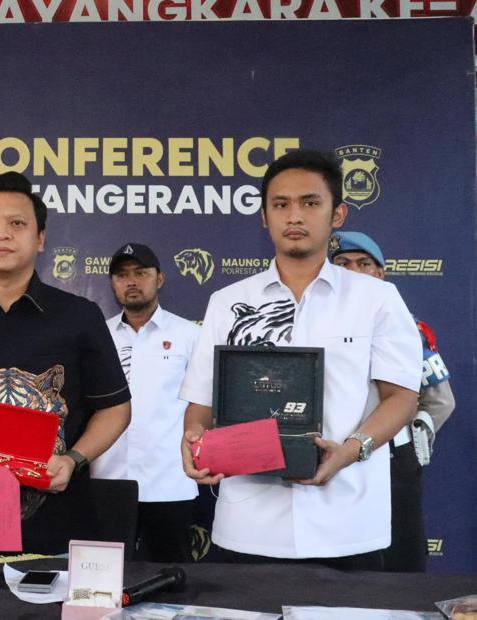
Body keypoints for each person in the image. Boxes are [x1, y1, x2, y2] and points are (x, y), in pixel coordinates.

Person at [178, 150, 422, 569]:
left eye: (310, 203)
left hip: (347, 528)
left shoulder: (377, 299)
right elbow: (201, 405)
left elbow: (401, 398)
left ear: (338, 214)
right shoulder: (227, 302)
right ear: (264, 217)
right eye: (281, 204)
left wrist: (350, 450)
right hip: (246, 526)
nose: (294, 216)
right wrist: (194, 443)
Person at [0, 171, 131, 554]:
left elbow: (115, 409)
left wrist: (73, 459)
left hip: (59, 528)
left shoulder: (80, 316)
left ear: (40, 238)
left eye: (17, 223)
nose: (2, 233)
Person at [331, 230, 455, 572]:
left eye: (363, 264)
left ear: (380, 274)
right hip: (331, 454)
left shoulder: (405, 326)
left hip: (390, 457)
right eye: (342, 264)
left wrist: (413, 438)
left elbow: (441, 399)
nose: (352, 271)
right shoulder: (311, 326)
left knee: (400, 559)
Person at [90, 242, 199, 562]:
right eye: (122, 275)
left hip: (169, 481)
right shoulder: (98, 336)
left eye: (141, 273)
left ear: (160, 279)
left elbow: (204, 404)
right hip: (107, 481)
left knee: (170, 581)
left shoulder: (189, 335)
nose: (132, 281)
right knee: (101, 582)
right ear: (112, 283)